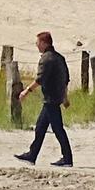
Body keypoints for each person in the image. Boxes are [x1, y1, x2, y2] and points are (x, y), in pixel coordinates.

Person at [14, 31, 73, 167]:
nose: (36, 45)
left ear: (43, 43)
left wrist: (26, 91)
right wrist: (64, 97)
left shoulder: (46, 59)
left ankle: (67, 159)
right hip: (54, 98)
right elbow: (65, 79)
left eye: (37, 42)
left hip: (51, 99)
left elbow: (40, 79)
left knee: (58, 129)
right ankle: (32, 155)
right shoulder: (59, 58)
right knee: (40, 128)